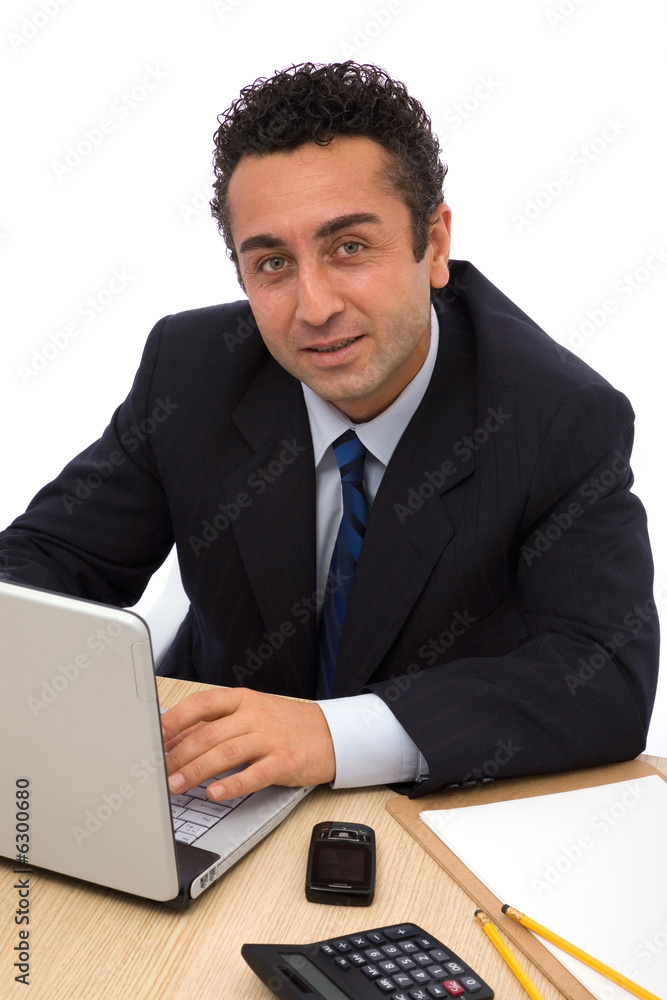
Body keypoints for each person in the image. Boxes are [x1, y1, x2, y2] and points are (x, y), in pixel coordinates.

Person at [0, 62, 658, 803]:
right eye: (273, 263)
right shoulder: (190, 372)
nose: (314, 308)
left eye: (349, 247)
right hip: (208, 787)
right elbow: (45, 561)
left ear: (435, 244)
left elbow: (606, 677)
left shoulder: (556, 417)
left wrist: (330, 734)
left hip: (425, 808)